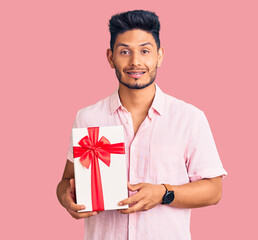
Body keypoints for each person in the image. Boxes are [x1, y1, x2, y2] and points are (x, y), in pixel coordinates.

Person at [56, 10, 227, 240]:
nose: (135, 61)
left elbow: (214, 191)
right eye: (124, 52)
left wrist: (163, 193)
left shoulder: (189, 118)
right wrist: (66, 198)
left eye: (145, 51)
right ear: (110, 57)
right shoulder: (88, 118)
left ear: (159, 56)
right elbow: (67, 180)